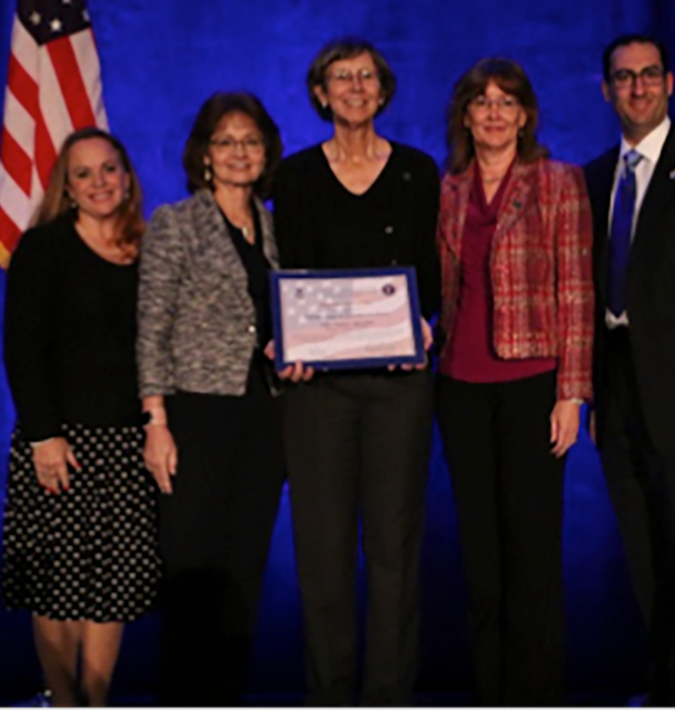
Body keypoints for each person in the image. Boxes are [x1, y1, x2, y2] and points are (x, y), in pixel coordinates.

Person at [272, 37, 440, 707]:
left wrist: (426, 326)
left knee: (396, 549)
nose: (355, 87)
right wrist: (294, 343)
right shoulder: (295, 175)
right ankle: (330, 694)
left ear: (383, 90)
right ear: (320, 93)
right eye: (341, 78)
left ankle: (391, 695)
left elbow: (432, 272)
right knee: (322, 553)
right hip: (317, 391)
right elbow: (291, 272)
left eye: (367, 76)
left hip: (400, 382)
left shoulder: (418, 171)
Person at [435, 58, 594, 707]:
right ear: (466, 115)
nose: (494, 112)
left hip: (534, 383)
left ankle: (536, 692)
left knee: (531, 552)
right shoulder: (447, 187)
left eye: (507, 102)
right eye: (482, 101)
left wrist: (571, 395)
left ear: (525, 115)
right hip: (459, 385)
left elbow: (578, 292)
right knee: (480, 555)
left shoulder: (558, 182)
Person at [585, 34, 675, 706]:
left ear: (671, 83)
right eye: (624, 77)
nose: (637, 88)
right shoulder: (589, 179)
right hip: (617, 393)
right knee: (643, 547)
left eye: (649, 75)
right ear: (606, 89)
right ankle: (666, 677)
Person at [1, 127, 158, 707]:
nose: (100, 183)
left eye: (110, 169)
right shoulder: (43, 248)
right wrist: (44, 435)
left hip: (126, 446)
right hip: (58, 444)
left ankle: (96, 699)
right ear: (66, 186)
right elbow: (22, 349)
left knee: (109, 589)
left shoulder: (149, 247)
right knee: (57, 584)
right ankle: (63, 700)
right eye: (84, 173)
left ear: (127, 176)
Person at [137, 92, 285, 707]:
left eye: (250, 141)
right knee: (194, 574)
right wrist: (156, 422)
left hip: (264, 416)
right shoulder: (175, 222)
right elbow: (151, 327)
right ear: (203, 154)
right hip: (194, 415)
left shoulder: (277, 223)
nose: (238, 152)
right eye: (225, 141)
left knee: (244, 572)